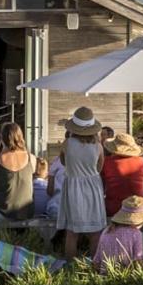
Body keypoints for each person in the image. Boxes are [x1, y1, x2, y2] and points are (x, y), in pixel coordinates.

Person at [57, 107, 108, 259]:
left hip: (73, 187)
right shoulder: (98, 147)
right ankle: (95, 264)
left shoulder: (67, 144)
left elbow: (63, 161)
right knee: (95, 231)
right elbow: (99, 168)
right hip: (93, 187)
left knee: (72, 232)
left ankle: (70, 264)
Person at [92, 195, 143, 272]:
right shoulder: (136, 234)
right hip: (126, 276)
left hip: (105, 276)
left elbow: (96, 263)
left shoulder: (107, 230)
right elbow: (138, 262)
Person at [0, 123, 35, 221]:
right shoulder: (31, 158)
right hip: (26, 213)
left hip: (2, 213)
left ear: (1, 138)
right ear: (21, 136)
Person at [101, 133, 143, 218]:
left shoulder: (107, 162)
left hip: (114, 208)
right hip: (138, 208)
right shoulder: (142, 162)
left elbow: (101, 187)